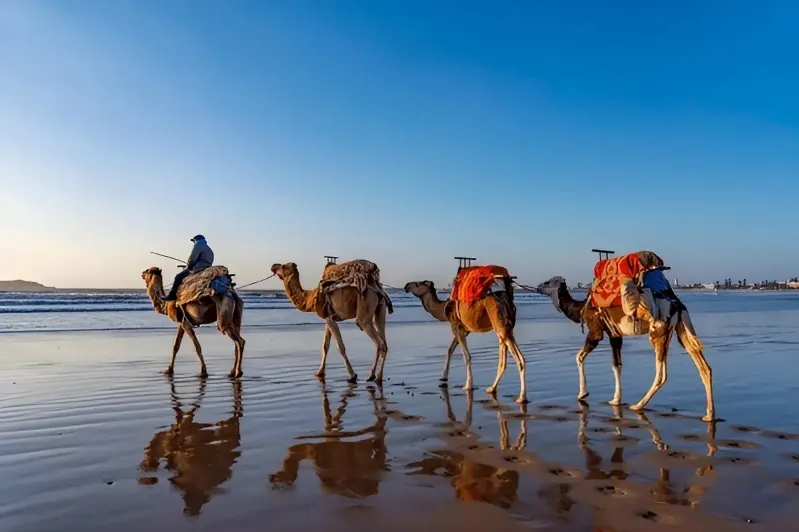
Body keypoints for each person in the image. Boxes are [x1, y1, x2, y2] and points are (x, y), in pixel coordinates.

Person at [163, 235, 215, 302]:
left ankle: (172, 296)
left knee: (178, 277)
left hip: (198, 269)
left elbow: (192, 258)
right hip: (207, 268)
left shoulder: (198, 246)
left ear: (196, 240)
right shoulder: (209, 249)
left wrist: (189, 265)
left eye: (194, 241)